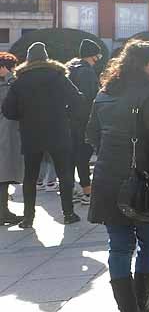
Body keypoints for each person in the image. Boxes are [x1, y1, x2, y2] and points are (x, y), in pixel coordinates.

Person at [86, 41, 149, 312]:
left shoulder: (104, 92)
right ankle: (140, 304)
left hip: (108, 177)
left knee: (119, 247)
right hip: (144, 179)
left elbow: (92, 135)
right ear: (144, 65)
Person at [2, 42, 84, 227]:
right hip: (58, 130)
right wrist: (67, 116)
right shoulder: (58, 76)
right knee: (64, 174)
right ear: (46, 58)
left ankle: (28, 218)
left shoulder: (20, 81)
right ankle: (69, 213)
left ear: (29, 60)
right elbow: (77, 99)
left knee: (30, 177)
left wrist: (23, 116)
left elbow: (8, 110)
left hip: (31, 133)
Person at [67, 38, 102, 206]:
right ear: (93, 55)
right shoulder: (86, 72)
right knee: (84, 154)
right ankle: (87, 191)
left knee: (74, 155)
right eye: (98, 56)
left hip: (71, 120)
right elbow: (90, 98)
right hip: (85, 120)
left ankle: (74, 189)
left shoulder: (71, 69)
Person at [0, 53, 22, 225]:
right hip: (5, 133)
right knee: (4, 175)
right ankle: (3, 213)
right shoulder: (8, 84)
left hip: (6, 133)